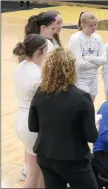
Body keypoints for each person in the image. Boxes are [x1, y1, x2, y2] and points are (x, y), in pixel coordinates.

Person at [28, 48, 99, 189]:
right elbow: (91, 136)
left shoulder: (40, 92)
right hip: (73, 160)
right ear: (71, 69)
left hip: (46, 157)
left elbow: (33, 126)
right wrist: (96, 126)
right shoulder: (82, 97)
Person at [13, 34, 48, 188]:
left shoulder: (22, 66)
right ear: (39, 52)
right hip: (32, 126)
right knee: (37, 173)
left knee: (34, 172)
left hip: (22, 121)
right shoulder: (37, 75)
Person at [68, 11, 107, 101]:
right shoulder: (76, 38)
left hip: (93, 78)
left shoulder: (97, 37)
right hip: (80, 79)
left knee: (90, 106)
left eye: (95, 25)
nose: (94, 28)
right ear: (82, 25)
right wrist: (97, 64)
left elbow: (104, 59)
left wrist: (88, 58)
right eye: (90, 26)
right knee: (81, 105)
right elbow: (79, 64)